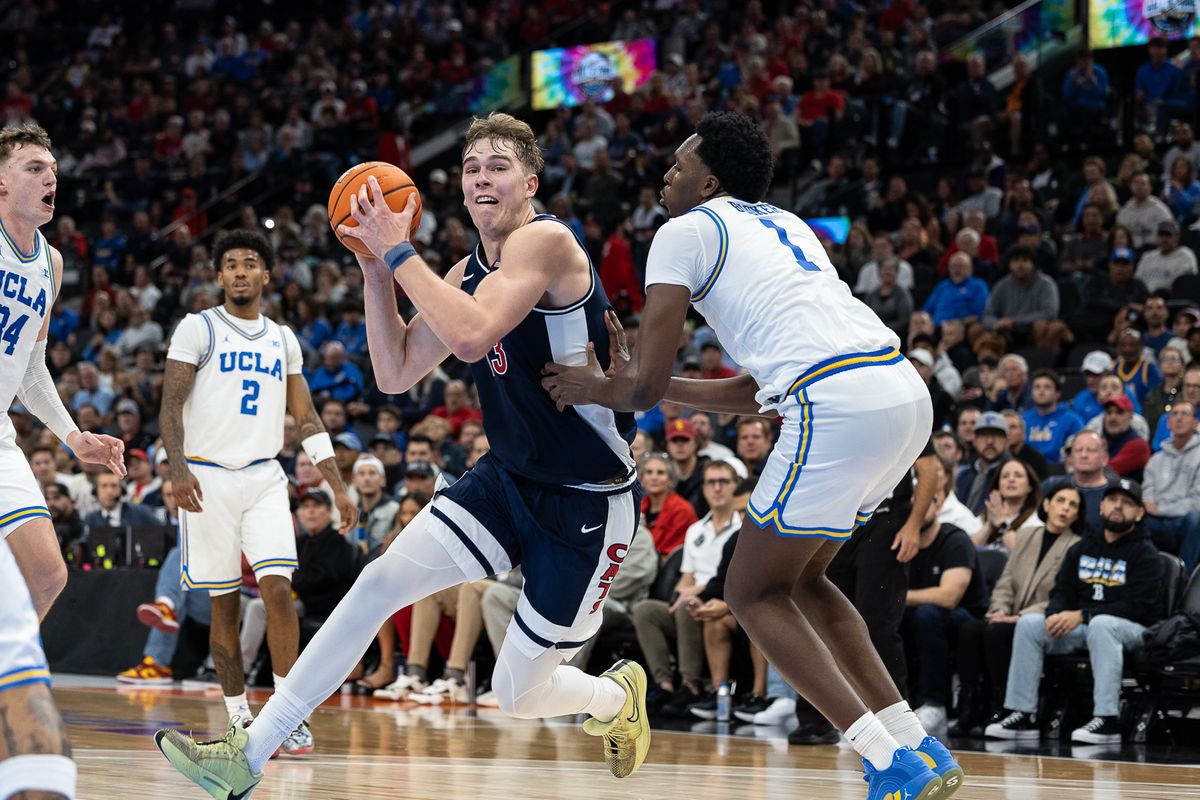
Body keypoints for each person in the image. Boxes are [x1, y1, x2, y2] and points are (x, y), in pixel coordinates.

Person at [156, 113, 650, 795]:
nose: (481, 175)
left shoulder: (547, 241)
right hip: (506, 480)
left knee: (516, 694)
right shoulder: (461, 268)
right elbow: (393, 373)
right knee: (376, 587)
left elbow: (473, 336)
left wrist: (396, 252)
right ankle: (249, 755)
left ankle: (616, 698)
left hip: (588, 502)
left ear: (530, 181)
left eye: (498, 165)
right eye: (472, 165)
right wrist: (373, 268)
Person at [542, 113, 956, 800]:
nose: (668, 173)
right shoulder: (787, 225)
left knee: (748, 590)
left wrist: (600, 384)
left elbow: (640, 384)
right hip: (900, 391)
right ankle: (917, 743)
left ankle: (886, 759)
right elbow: (758, 393)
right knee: (807, 582)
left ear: (711, 179)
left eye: (680, 164)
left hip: (837, 403)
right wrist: (649, 382)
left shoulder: (681, 232)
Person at [156, 229, 356, 759]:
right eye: (231, 264)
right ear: (219, 276)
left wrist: (337, 484)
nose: (240, 272)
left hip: (265, 476)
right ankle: (240, 717)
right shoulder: (197, 328)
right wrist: (177, 468)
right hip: (205, 477)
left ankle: (287, 716)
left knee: (276, 591)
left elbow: (307, 417)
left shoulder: (283, 338)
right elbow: (170, 404)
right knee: (224, 606)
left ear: (267, 275)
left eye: (250, 264)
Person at [0, 125, 126, 628]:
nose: (50, 178)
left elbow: (31, 370)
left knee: (48, 575)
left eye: (53, 170)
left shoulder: (49, 264)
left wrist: (72, 436)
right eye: (34, 168)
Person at [985, 480, 1164, 744]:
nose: (1118, 506)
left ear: (1139, 514)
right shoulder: (1082, 548)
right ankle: (1023, 714)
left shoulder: (1147, 555)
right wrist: (1055, 615)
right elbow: (1062, 592)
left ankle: (1107, 720)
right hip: (1084, 628)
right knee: (1031, 624)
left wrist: (1083, 615)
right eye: (1113, 500)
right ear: (1101, 507)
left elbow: (1139, 606)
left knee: (1102, 624)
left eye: (1127, 503)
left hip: (1133, 631)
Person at [952, 485, 1082, 735]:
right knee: (969, 630)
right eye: (1060, 500)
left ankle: (1000, 707)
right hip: (1009, 615)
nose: (1065, 507)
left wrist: (1018, 617)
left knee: (996, 633)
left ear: (1077, 515)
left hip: (1039, 619)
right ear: (1046, 505)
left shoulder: (1075, 547)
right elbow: (1006, 582)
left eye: (1073, 504)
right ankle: (968, 707)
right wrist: (999, 609)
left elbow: (1063, 597)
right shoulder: (1026, 535)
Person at [1142, 402, 1200, 572]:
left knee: (1196, 519)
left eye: (1185, 414)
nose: (1179, 418)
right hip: (1157, 521)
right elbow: (1147, 497)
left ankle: (1184, 577)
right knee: (1137, 518)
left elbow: (1197, 502)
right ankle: (1145, 573)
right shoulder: (1155, 459)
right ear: (1168, 423)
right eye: (1174, 414)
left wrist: (1161, 510)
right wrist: (1154, 510)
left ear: (1195, 422)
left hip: (1184, 520)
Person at [1022, 370, 1084, 465]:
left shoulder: (1072, 420)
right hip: (1027, 469)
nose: (1041, 391)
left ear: (1057, 393)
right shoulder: (1022, 420)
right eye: (1037, 387)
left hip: (1058, 470)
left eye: (1047, 387)